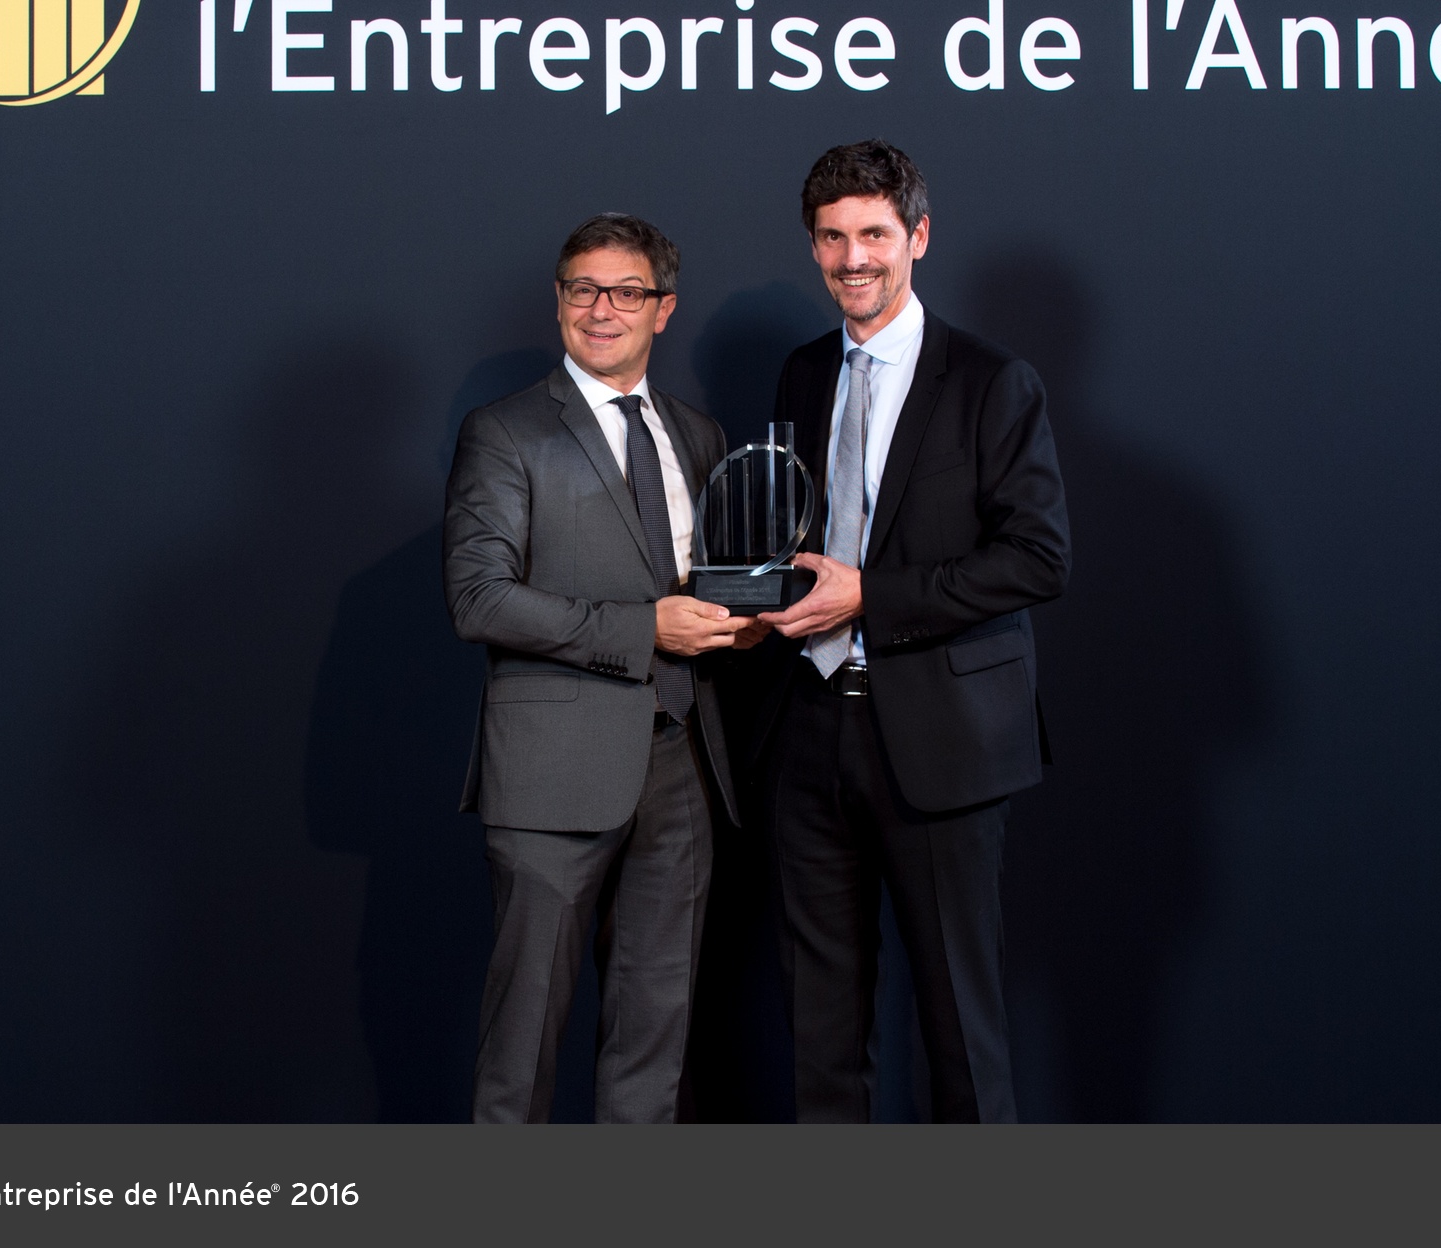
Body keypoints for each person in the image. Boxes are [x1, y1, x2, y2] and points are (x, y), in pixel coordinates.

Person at [753, 141, 1071, 1123]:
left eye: (874, 235)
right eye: (832, 237)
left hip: (941, 741)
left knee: (960, 1032)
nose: (853, 258)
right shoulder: (804, 373)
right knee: (820, 1030)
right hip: (810, 730)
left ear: (918, 237)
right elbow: (796, 537)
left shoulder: (990, 381)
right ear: (813, 246)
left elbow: (1038, 558)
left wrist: (870, 597)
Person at [444, 213, 761, 1122]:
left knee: (654, 1049)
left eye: (626, 292)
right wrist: (645, 629)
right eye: (583, 289)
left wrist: (738, 628)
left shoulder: (698, 434)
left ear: (665, 308)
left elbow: (708, 585)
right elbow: (479, 599)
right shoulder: (505, 432)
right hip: (551, 777)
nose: (601, 309)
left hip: (684, 769)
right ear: (558, 301)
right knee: (521, 1051)